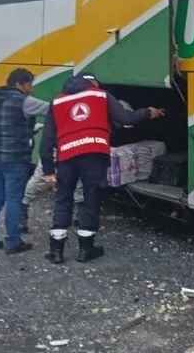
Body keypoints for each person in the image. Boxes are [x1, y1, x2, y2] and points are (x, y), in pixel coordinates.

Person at [40, 74, 165, 263]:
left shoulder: (57, 101)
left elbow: (47, 140)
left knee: (63, 199)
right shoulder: (101, 95)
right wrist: (148, 112)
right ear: (93, 83)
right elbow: (126, 118)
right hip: (94, 155)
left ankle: (56, 252)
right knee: (90, 199)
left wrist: (49, 170)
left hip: (66, 157)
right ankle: (85, 250)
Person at [0, 68, 49, 254]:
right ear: (19, 84)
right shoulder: (24, 101)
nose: (31, 89)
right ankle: (13, 242)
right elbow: (52, 109)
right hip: (14, 158)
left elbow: (2, 125)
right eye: (29, 85)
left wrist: (28, 129)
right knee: (13, 199)